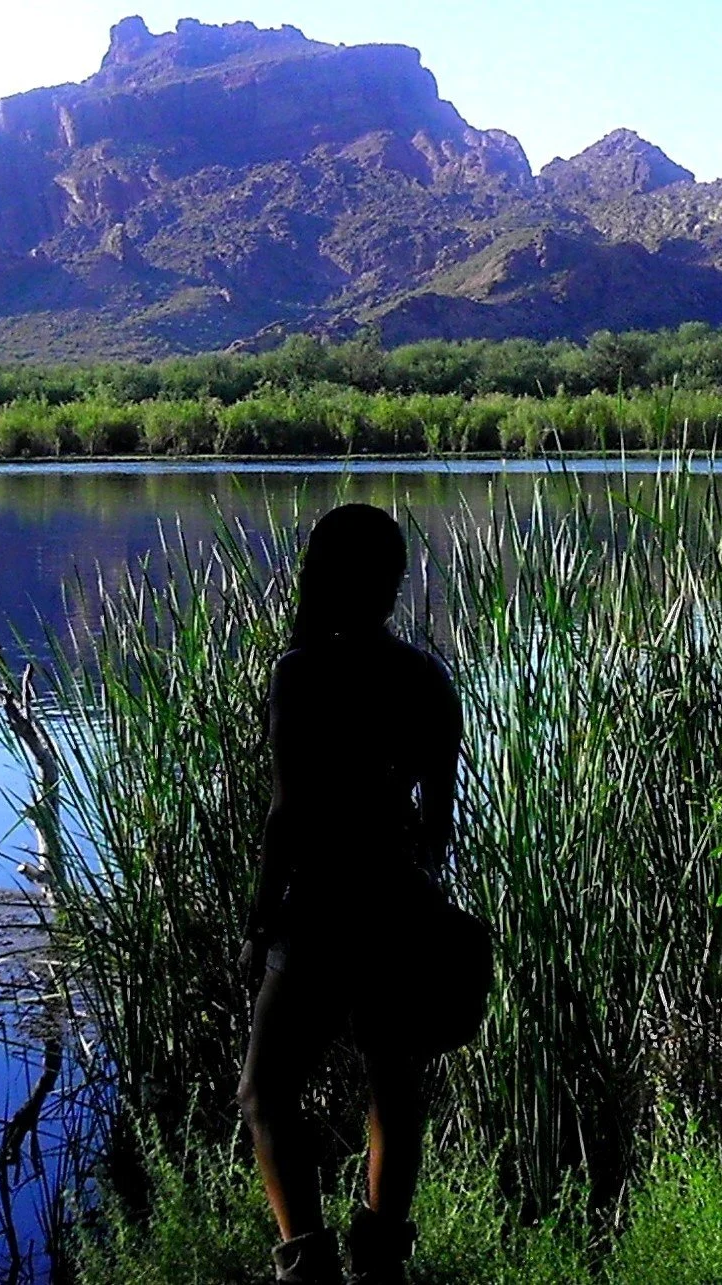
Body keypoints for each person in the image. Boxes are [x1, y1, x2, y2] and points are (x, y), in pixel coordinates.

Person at [236, 503, 464, 1285]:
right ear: (396, 580)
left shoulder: (302, 672)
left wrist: (262, 915)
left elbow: (287, 812)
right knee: (393, 1081)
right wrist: (407, 884)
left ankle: (307, 1265)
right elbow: (437, 824)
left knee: (266, 1090)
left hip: (321, 906)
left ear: (321, 576)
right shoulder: (427, 678)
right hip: (397, 904)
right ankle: (382, 1262)